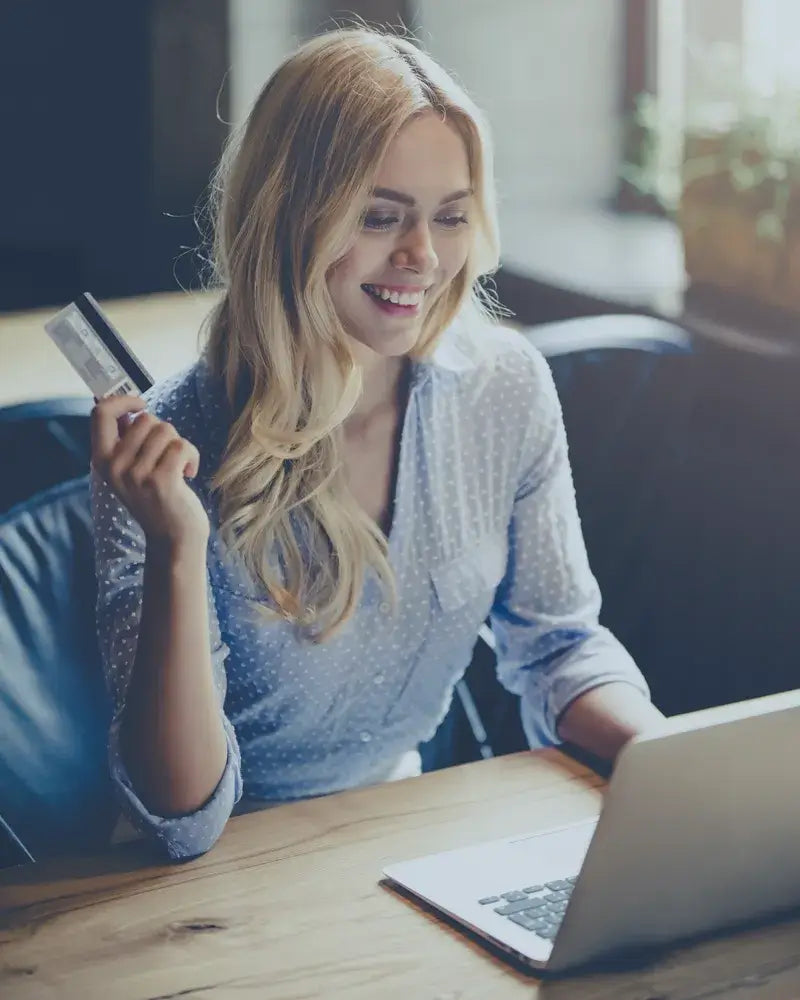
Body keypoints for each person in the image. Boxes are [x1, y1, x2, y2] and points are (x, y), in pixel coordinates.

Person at [90, 27, 665, 862]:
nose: (423, 257)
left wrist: (663, 757)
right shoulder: (172, 443)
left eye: (452, 216)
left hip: (402, 844)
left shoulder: (504, 389)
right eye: (381, 216)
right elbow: (181, 817)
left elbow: (560, 646)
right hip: (212, 879)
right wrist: (178, 545)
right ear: (290, 215)